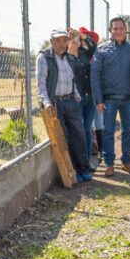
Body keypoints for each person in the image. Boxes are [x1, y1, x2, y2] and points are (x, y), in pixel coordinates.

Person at [36, 29, 91, 182]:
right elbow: (40, 85)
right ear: (51, 41)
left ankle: (83, 169)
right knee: (64, 138)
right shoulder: (44, 57)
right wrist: (46, 103)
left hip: (71, 102)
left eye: (64, 40)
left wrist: (77, 95)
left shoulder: (69, 57)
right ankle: (71, 172)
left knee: (79, 135)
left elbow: (71, 80)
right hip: (55, 104)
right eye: (58, 40)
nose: (61, 44)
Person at [91, 17, 130, 177]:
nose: (118, 31)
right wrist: (98, 99)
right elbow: (95, 76)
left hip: (128, 98)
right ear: (110, 31)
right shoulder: (101, 49)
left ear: (126, 30)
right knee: (108, 132)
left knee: (127, 132)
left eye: (121, 28)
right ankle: (109, 164)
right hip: (109, 99)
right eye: (115, 28)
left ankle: (126, 162)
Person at [67, 26, 98, 169]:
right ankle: (78, 162)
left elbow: (94, 47)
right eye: (72, 39)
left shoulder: (86, 53)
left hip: (89, 97)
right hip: (76, 99)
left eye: (77, 38)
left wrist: (82, 35)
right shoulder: (66, 56)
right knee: (77, 131)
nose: (75, 41)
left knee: (87, 129)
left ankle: (87, 162)